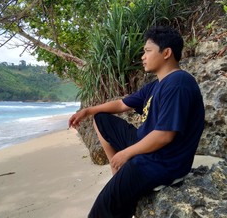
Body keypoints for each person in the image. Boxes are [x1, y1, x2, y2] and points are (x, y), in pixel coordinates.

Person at [68, 26, 205, 218]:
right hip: (148, 147)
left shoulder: (178, 83)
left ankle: (123, 175)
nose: (143, 56)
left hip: (162, 162)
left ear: (166, 53)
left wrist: (126, 153)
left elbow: (165, 135)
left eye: (148, 51)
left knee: (102, 210)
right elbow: (121, 104)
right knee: (101, 119)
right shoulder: (156, 85)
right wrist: (88, 110)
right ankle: (117, 171)